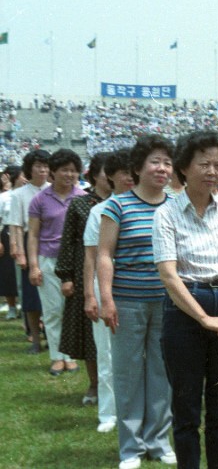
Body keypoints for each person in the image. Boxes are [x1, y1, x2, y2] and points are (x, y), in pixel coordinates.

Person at [153, 131, 218, 469]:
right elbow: (168, 275)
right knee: (187, 405)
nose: (212, 170)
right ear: (184, 168)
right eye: (203, 163)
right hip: (186, 308)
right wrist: (203, 319)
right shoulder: (166, 214)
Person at [98, 134, 176, 469]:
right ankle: (130, 448)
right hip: (127, 302)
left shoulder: (175, 205)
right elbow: (104, 254)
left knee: (162, 372)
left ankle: (158, 441)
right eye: (155, 162)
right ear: (139, 168)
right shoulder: (117, 205)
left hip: (168, 303)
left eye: (168, 162)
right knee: (128, 374)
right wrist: (106, 298)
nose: (163, 169)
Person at [84, 148, 134, 434]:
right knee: (107, 353)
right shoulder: (99, 211)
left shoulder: (150, 206)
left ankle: (135, 410)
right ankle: (108, 411)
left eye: (132, 171)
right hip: (106, 286)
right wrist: (92, 296)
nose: (129, 178)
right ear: (110, 177)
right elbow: (91, 256)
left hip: (139, 287)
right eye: (123, 172)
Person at [55, 152, 111, 404]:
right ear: (94, 175)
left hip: (119, 274)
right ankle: (95, 384)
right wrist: (67, 276)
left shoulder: (127, 202)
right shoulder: (80, 204)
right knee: (90, 334)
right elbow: (67, 242)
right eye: (105, 172)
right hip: (85, 273)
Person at [28, 148, 86, 376]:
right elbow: (32, 235)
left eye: (73, 171)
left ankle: (70, 356)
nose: (69, 175)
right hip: (48, 259)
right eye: (64, 170)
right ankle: (56, 357)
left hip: (75, 262)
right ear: (53, 172)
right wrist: (34, 265)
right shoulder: (40, 199)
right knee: (53, 311)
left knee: (72, 311)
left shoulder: (82, 197)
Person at [8, 149, 50, 353]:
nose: (42, 170)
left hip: (51, 242)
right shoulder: (19, 194)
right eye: (38, 166)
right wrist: (19, 251)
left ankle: (53, 337)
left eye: (45, 166)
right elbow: (15, 224)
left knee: (52, 295)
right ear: (29, 169)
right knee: (32, 298)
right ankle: (35, 338)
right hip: (29, 240)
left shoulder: (54, 189)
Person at [0, 165, 25, 320]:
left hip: (23, 234)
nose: (25, 179)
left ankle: (25, 306)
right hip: (6, 235)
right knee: (8, 273)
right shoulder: (4, 197)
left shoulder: (27, 195)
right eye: (22, 175)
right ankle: (11, 307)